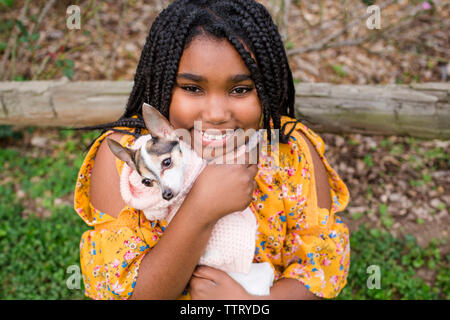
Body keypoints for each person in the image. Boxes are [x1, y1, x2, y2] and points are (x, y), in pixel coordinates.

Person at [73, 0, 350, 300]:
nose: (216, 113)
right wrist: (200, 209)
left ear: (269, 88)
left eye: (240, 90)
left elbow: (317, 272)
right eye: (192, 89)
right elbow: (125, 293)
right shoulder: (129, 162)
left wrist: (250, 304)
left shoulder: (291, 155)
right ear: (162, 83)